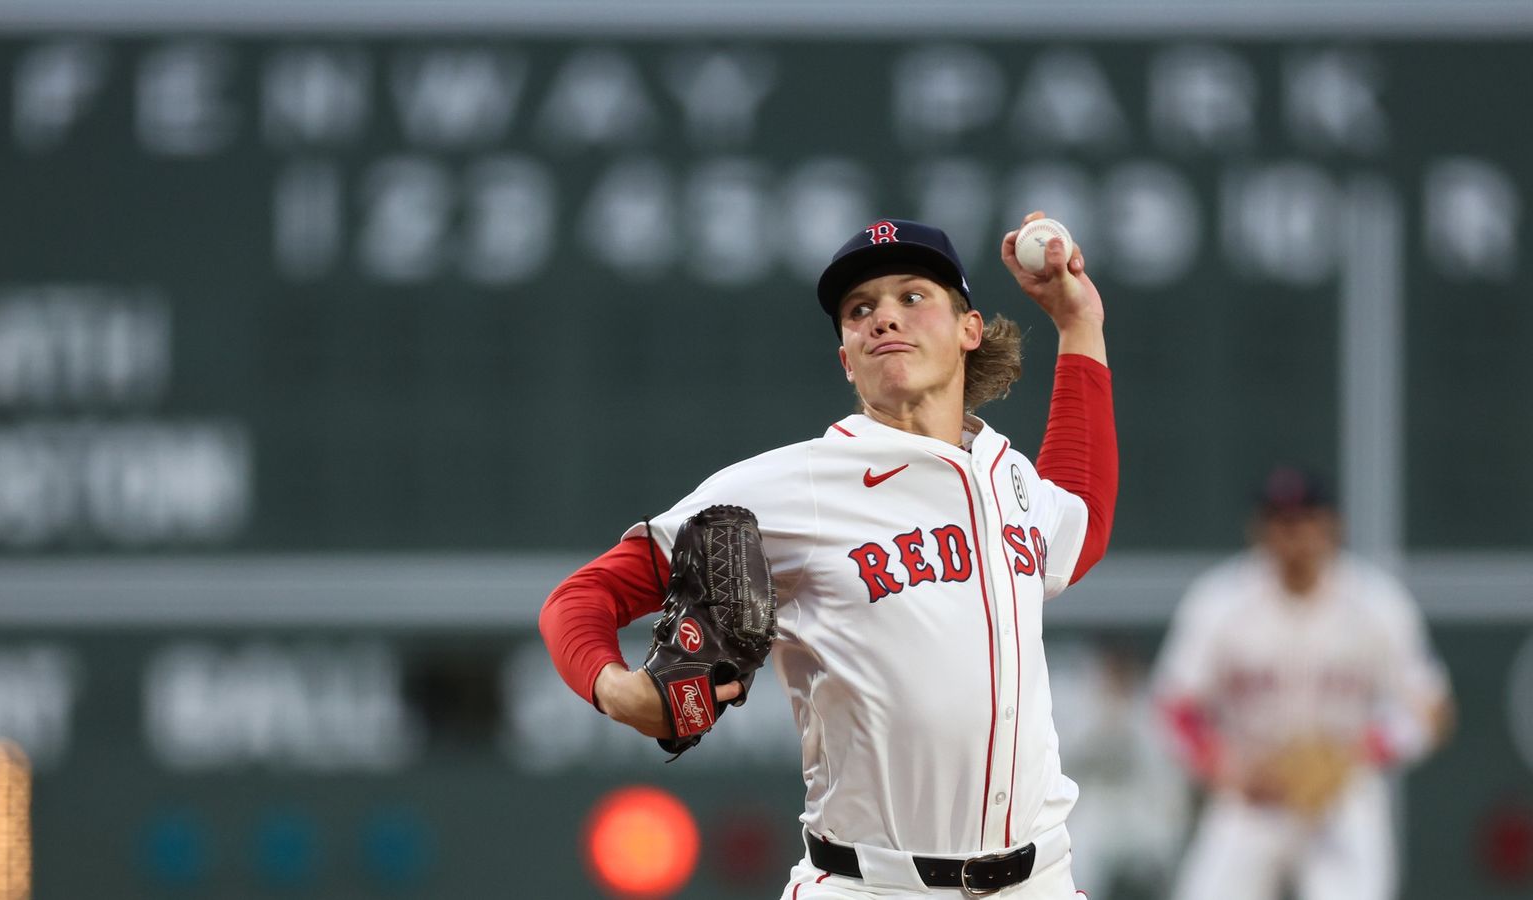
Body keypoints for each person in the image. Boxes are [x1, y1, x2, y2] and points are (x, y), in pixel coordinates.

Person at [540, 213, 1117, 898]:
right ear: (847, 357)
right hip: (869, 885)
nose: (883, 318)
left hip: (1040, 880)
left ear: (969, 331)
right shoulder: (794, 486)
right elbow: (580, 598)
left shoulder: (1007, 474)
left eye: (912, 296)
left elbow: (1080, 520)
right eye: (860, 310)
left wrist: (1080, 326)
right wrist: (615, 690)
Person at [1152, 466, 1454, 900]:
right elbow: (1172, 707)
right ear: (1258, 529)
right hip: (1253, 792)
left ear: (1333, 525)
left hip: (1342, 797)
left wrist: (1360, 752)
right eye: (1279, 520)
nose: (1292, 533)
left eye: (1305, 518)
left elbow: (1430, 708)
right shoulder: (1219, 601)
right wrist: (1224, 766)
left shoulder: (1376, 602)